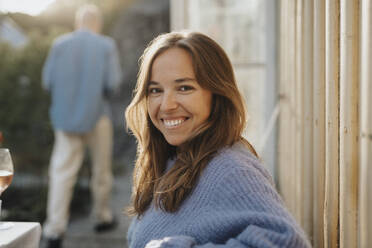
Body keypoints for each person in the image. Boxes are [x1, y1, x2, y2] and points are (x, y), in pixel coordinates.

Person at [125, 31, 311, 248]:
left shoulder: (231, 169)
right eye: (155, 90)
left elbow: (288, 242)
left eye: (184, 88)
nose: (166, 105)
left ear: (217, 94)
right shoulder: (170, 160)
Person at [42, 4, 122, 248]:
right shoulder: (106, 45)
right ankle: (101, 217)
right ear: (96, 23)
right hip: (97, 116)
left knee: (62, 173)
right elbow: (113, 82)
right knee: (101, 170)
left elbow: (47, 81)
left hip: (65, 119)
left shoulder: (59, 44)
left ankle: (55, 231)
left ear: (78, 23)